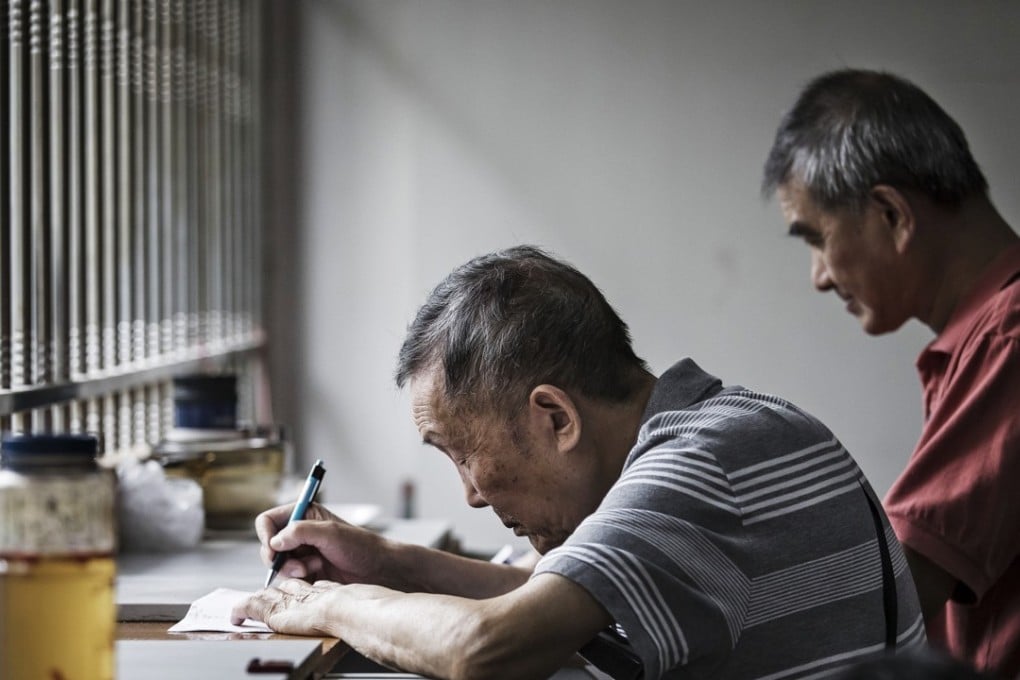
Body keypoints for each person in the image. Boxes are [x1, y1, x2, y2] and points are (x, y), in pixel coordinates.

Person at [233, 246, 924, 679]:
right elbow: (554, 598)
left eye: (464, 454)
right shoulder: (726, 426)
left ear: (555, 418)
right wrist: (389, 563)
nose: (471, 495)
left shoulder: (694, 469)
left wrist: (327, 604)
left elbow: (486, 649)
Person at [762, 68, 1020, 677]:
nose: (820, 276)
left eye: (817, 239)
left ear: (891, 215)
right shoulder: (985, 338)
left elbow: (883, 599)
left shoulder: (1010, 335)